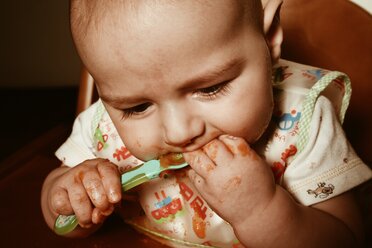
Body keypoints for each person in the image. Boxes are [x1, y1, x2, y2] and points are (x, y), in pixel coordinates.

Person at [41, 0, 372, 247]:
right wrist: (74, 194)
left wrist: (261, 210)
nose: (179, 132)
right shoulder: (105, 127)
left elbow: (346, 239)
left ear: (268, 39)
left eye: (210, 88)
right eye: (138, 107)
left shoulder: (302, 123)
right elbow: (62, 219)